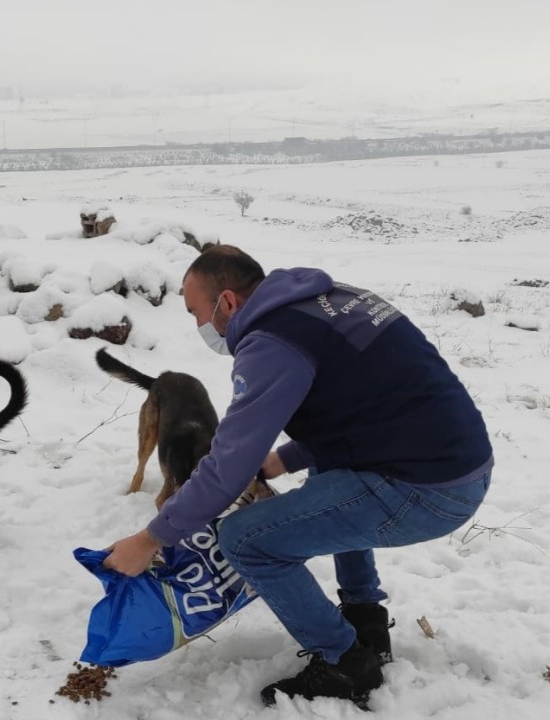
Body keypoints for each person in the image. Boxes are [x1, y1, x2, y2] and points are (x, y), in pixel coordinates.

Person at [104, 245, 493, 707]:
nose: (197, 327)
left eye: (196, 313)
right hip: (453, 464)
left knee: (246, 539)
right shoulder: (331, 302)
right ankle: (364, 619)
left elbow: (227, 466)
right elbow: (372, 412)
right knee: (332, 477)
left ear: (227, 302)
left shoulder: (272, 342)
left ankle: (345, 662)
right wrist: (284, 459)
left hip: (426, 490)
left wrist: (150, 539)